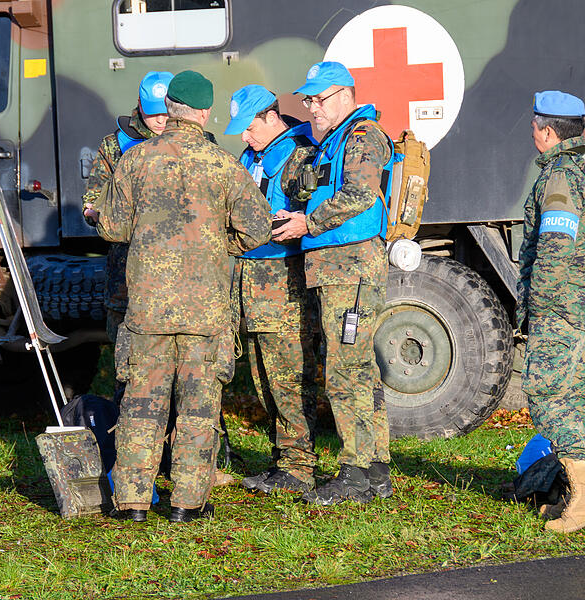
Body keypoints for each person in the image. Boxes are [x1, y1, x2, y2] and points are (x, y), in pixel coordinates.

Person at [92, 70, 272, 523]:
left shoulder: (134, 162)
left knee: (140, 405)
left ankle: (132, 502)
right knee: (197, 407)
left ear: (168, 108)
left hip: (147, 309)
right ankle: (189, 503)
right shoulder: (223, 164)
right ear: (206, 112)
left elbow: (111, 227)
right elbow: (259, 227)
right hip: (205, 312)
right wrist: (215, 245)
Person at [274, 61, 393, 505]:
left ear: (345, 95)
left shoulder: (362, 137)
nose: (311, 108)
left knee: (346, 372)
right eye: (307, 100)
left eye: (318, 99)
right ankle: (375, 469)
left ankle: (355, 473)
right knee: (357, 368)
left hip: (352, 271)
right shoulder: (333, 141)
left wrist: (308, 222)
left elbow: (359, 194)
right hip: (339, 270)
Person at [223, 84, 320, 494]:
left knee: (289, 377)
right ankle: (283, 461)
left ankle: (299, 466)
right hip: (251, 283)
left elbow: (300, 215)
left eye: (248, 127)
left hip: (282, 283)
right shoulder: (253, 155)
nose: (243, 137)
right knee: (264, 378)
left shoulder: (300, 156)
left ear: (269, 116)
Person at [517, 90, 585, 533]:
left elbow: (556, 249)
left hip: (561, 311)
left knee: (553, 400)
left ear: (546, 131)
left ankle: (580, 503)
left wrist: (539, 309)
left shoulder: (559, 177)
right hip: (575, 307)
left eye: (534, 127)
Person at [82, 71, 173, 348]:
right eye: (153, 113)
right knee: (127, 361)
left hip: (180, 279)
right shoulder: (115, 146)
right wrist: (99, 214)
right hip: (128, 279)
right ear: (139, 106)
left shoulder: (196, 144)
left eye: (167, 112)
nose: (160, 120)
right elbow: (93, 202)